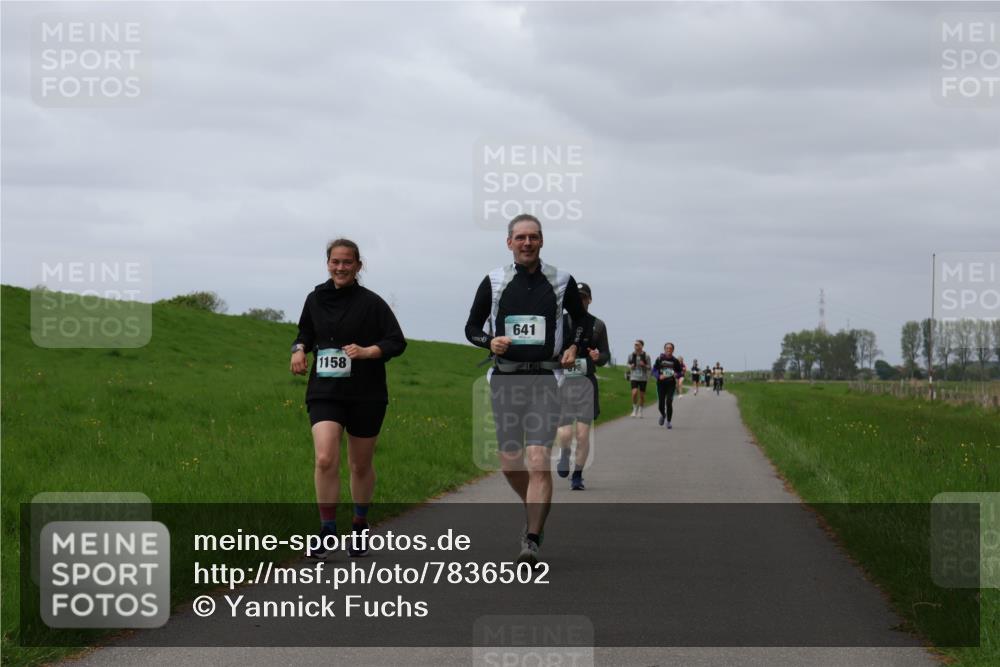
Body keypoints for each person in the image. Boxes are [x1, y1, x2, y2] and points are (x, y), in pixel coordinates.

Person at [465, 214, 594, 565]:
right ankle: (534, 505)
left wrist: (574, 347)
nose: (527, 243)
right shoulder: (493, 281)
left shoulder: (561, 280)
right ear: (509, 242)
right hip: (506, 378)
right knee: (510, 463)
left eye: (533, 237)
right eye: (520, 237)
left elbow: (582, 321)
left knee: (538, 459)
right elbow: (471, 327)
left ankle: (532, 538)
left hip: (546, 379)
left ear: (541, 241)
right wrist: (490, 342)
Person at [292, 239, 407, 560]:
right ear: (327, 263)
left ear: (358, 266)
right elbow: (304, 333)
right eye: (335, 262)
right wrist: (299, 350)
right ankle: (327, 531)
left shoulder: (372, 303)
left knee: (359, 464)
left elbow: (397, 342)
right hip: (325, 390)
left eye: (347, 262)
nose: (340, 267)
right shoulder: (315, 299)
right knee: (325, 457)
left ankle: (359, 525)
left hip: (365, 392)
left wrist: (369, 351)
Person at [554, 282, 610, 491]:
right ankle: (564, 453)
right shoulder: (561, 324)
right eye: (576, 297)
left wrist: (598, 357)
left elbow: (606, 355)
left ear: (589, 300)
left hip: (587, 383)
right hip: (564, 383)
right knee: (566, 434)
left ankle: (577, 475)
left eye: (584, 297)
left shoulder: (598, 326)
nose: (580, 300)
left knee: (583, 435)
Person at [652, 342, 683, 429]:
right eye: (667, 348)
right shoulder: (659, 359)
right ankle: (663, 414)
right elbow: (654, 370)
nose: (669, 350)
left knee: (669, 402)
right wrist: (658, 376)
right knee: (660, 405)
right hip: (661, 384)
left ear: (673, 350)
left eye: (670, 348)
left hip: (671, 384)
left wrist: (676, 375)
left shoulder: (675, 361)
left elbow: (680, 372)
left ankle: (668, 422)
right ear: (664, 349)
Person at [627, 340, 651, 417]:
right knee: (634, 393)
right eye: (635, 345)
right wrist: (630, 366)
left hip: (643, 378)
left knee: (642, 396)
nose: (636, 346)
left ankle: (640, 410)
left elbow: (649, 367)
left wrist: (644, 365)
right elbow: (628, 364)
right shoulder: (631, 355)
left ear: (642, 346)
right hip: (634, 377)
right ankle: (634, 410)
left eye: (638, 345)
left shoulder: (646, 355)